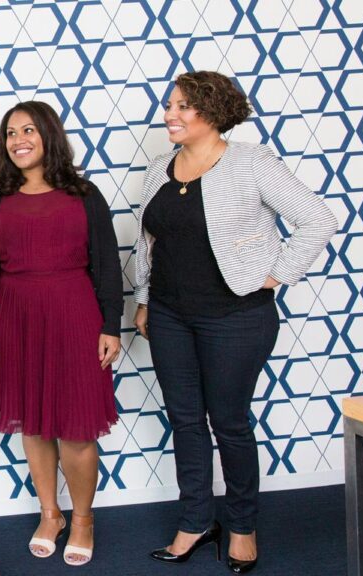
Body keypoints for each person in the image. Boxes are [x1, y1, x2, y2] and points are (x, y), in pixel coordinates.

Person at [133, 71, 337, 574]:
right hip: (168, 315)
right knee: (184, 420)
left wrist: (277, 274)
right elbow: (147, 243)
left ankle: (242, 525)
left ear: (214, 112)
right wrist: (142, 300)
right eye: (170, 105)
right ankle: (196, 521)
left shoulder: (250, 163)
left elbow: (319, 218)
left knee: (228, 422)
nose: (171, 115)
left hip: (235, 316)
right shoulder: (159, 169)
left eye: (184, 107)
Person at [0, 101, 123, 567]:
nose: (18, 140)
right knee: (33, 422)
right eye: (10, 133)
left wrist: (110, 324)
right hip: (15, 318)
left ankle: (82, 519)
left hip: (75, 314)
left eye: (28, 130)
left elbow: (107, 263)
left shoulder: (84, 193)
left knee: (76, 426)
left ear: (49, 135)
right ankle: (49, 513)